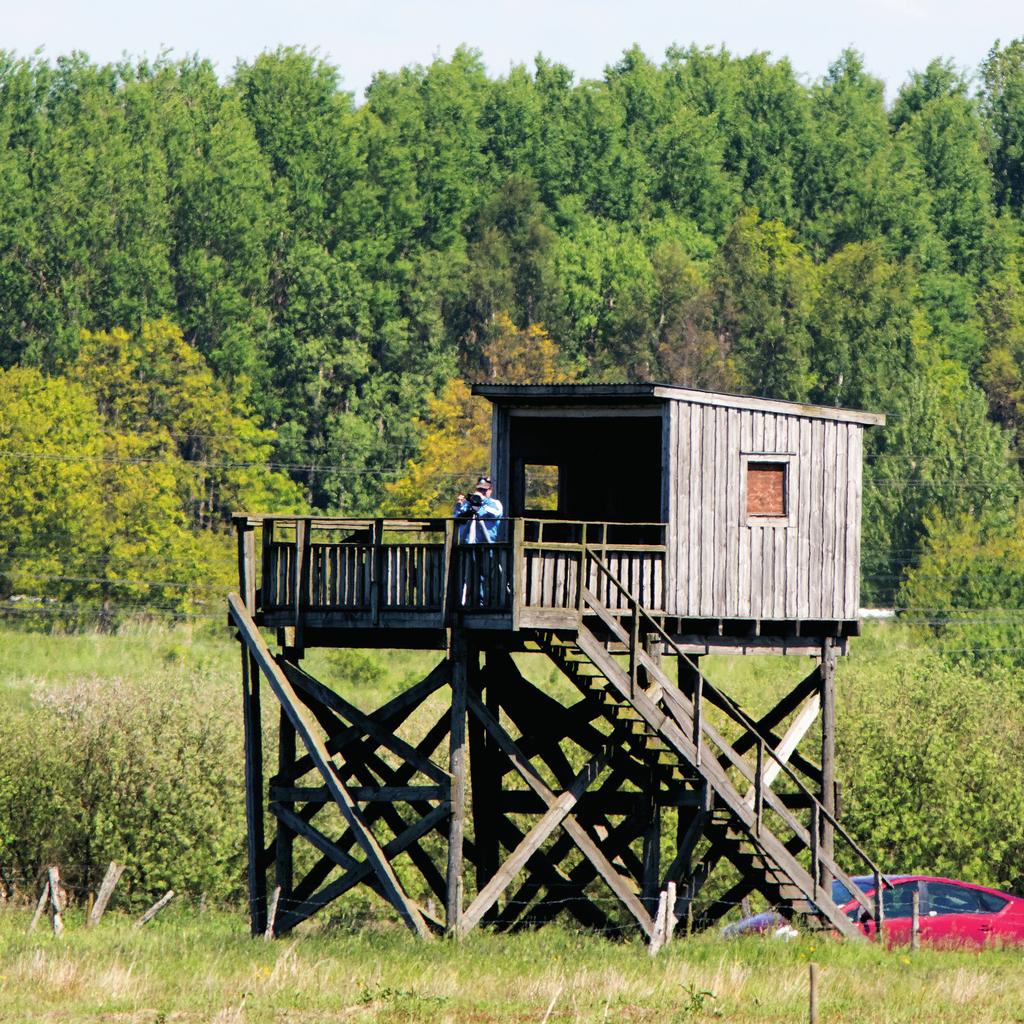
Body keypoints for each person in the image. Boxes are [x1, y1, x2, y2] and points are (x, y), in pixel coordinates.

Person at [453, 476, 503, 543]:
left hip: (487, 545)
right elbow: (456, 519)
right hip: (466, 544)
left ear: (490, 490)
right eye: (480, 489)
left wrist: (483, 501)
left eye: (484, 490)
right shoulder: (467, 503)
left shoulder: (495, 503)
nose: (482, 492)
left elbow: (496, 514)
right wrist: (459, 505)